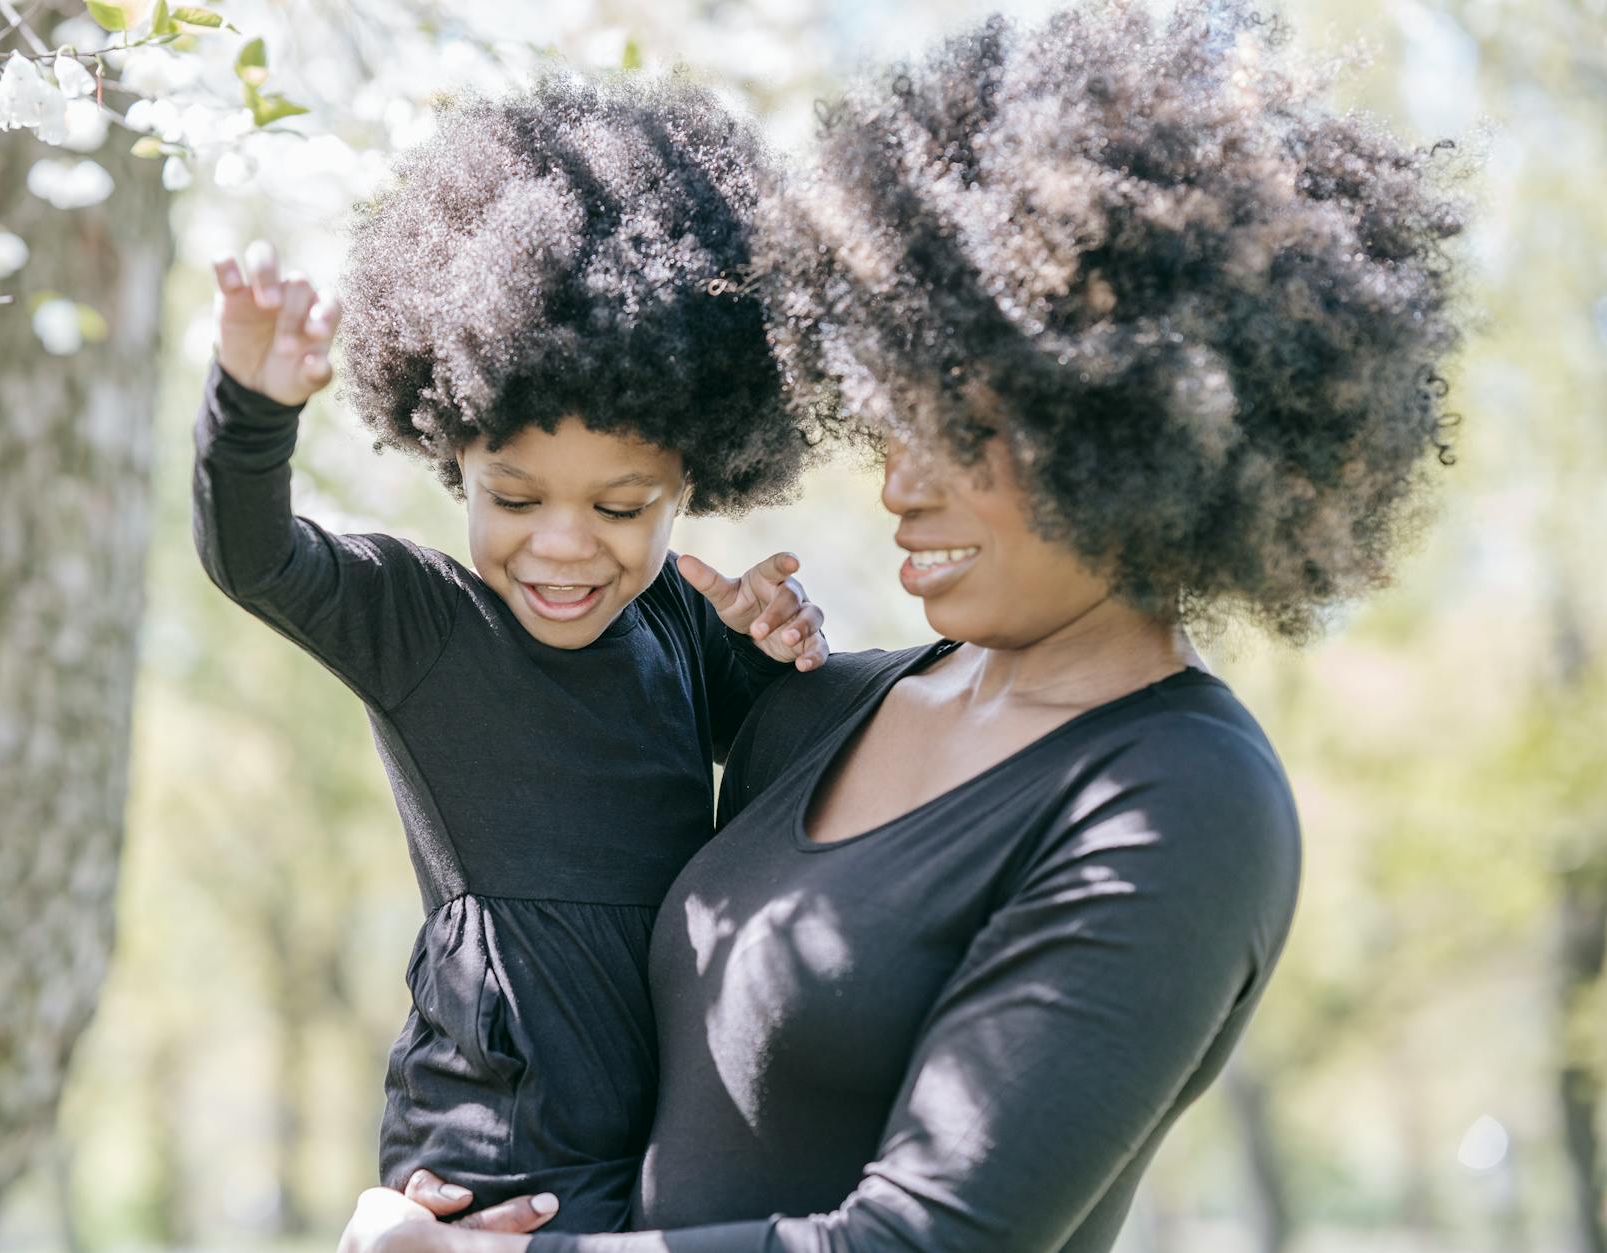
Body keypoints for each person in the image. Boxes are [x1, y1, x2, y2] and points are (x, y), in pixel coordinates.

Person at [343, 4, 1465, 1250]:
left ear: (1145, 432)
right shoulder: (813, 704)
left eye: (965, 433)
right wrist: (461, 1171)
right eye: (893, 418)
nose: (898, 485)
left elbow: (929, 1237)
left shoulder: (1179, 799)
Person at [193, 74, 833, 1232]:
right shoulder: (419, 621)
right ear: (455, 456)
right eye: (516, 496)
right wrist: (250, 408)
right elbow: (255, 559)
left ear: (693, 482)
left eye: (621, 507)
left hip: (672, 1123)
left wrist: (773, 637)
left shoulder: (675, 619)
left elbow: (771, 741)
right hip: (495, 1149)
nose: (563, 545)